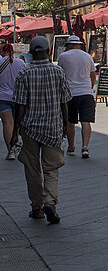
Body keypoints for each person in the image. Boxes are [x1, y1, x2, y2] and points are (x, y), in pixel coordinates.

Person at [12, 36, 71, 224]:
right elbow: (64, 102)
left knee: (32, 168)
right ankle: (49, 202)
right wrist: (65, 126)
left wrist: (15, 131)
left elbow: (20, 106)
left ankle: (36, 207)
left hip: (29, 129)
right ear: (48, 50)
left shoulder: (24, 73)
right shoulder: (58, 72)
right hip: (52, 128)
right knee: (52, 168)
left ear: (31, 53)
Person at [57, 35, 97, 159]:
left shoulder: (63, 57)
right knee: (86, 121)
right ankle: (85, 147)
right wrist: (90, 89)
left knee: (70, 122)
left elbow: (60, 75)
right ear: (79, 44)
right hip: (86, 93)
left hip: (70, 93)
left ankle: (71, 147)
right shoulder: (88, 56)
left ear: (69, 45)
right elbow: (93, 76)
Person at [0, 44, 26, 160]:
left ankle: (11, 151)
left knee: (7, 123)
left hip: (3, 97)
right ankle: (19, 145)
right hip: (18, 97)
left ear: (2, 51)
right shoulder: (20, 63)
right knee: (18, 123)